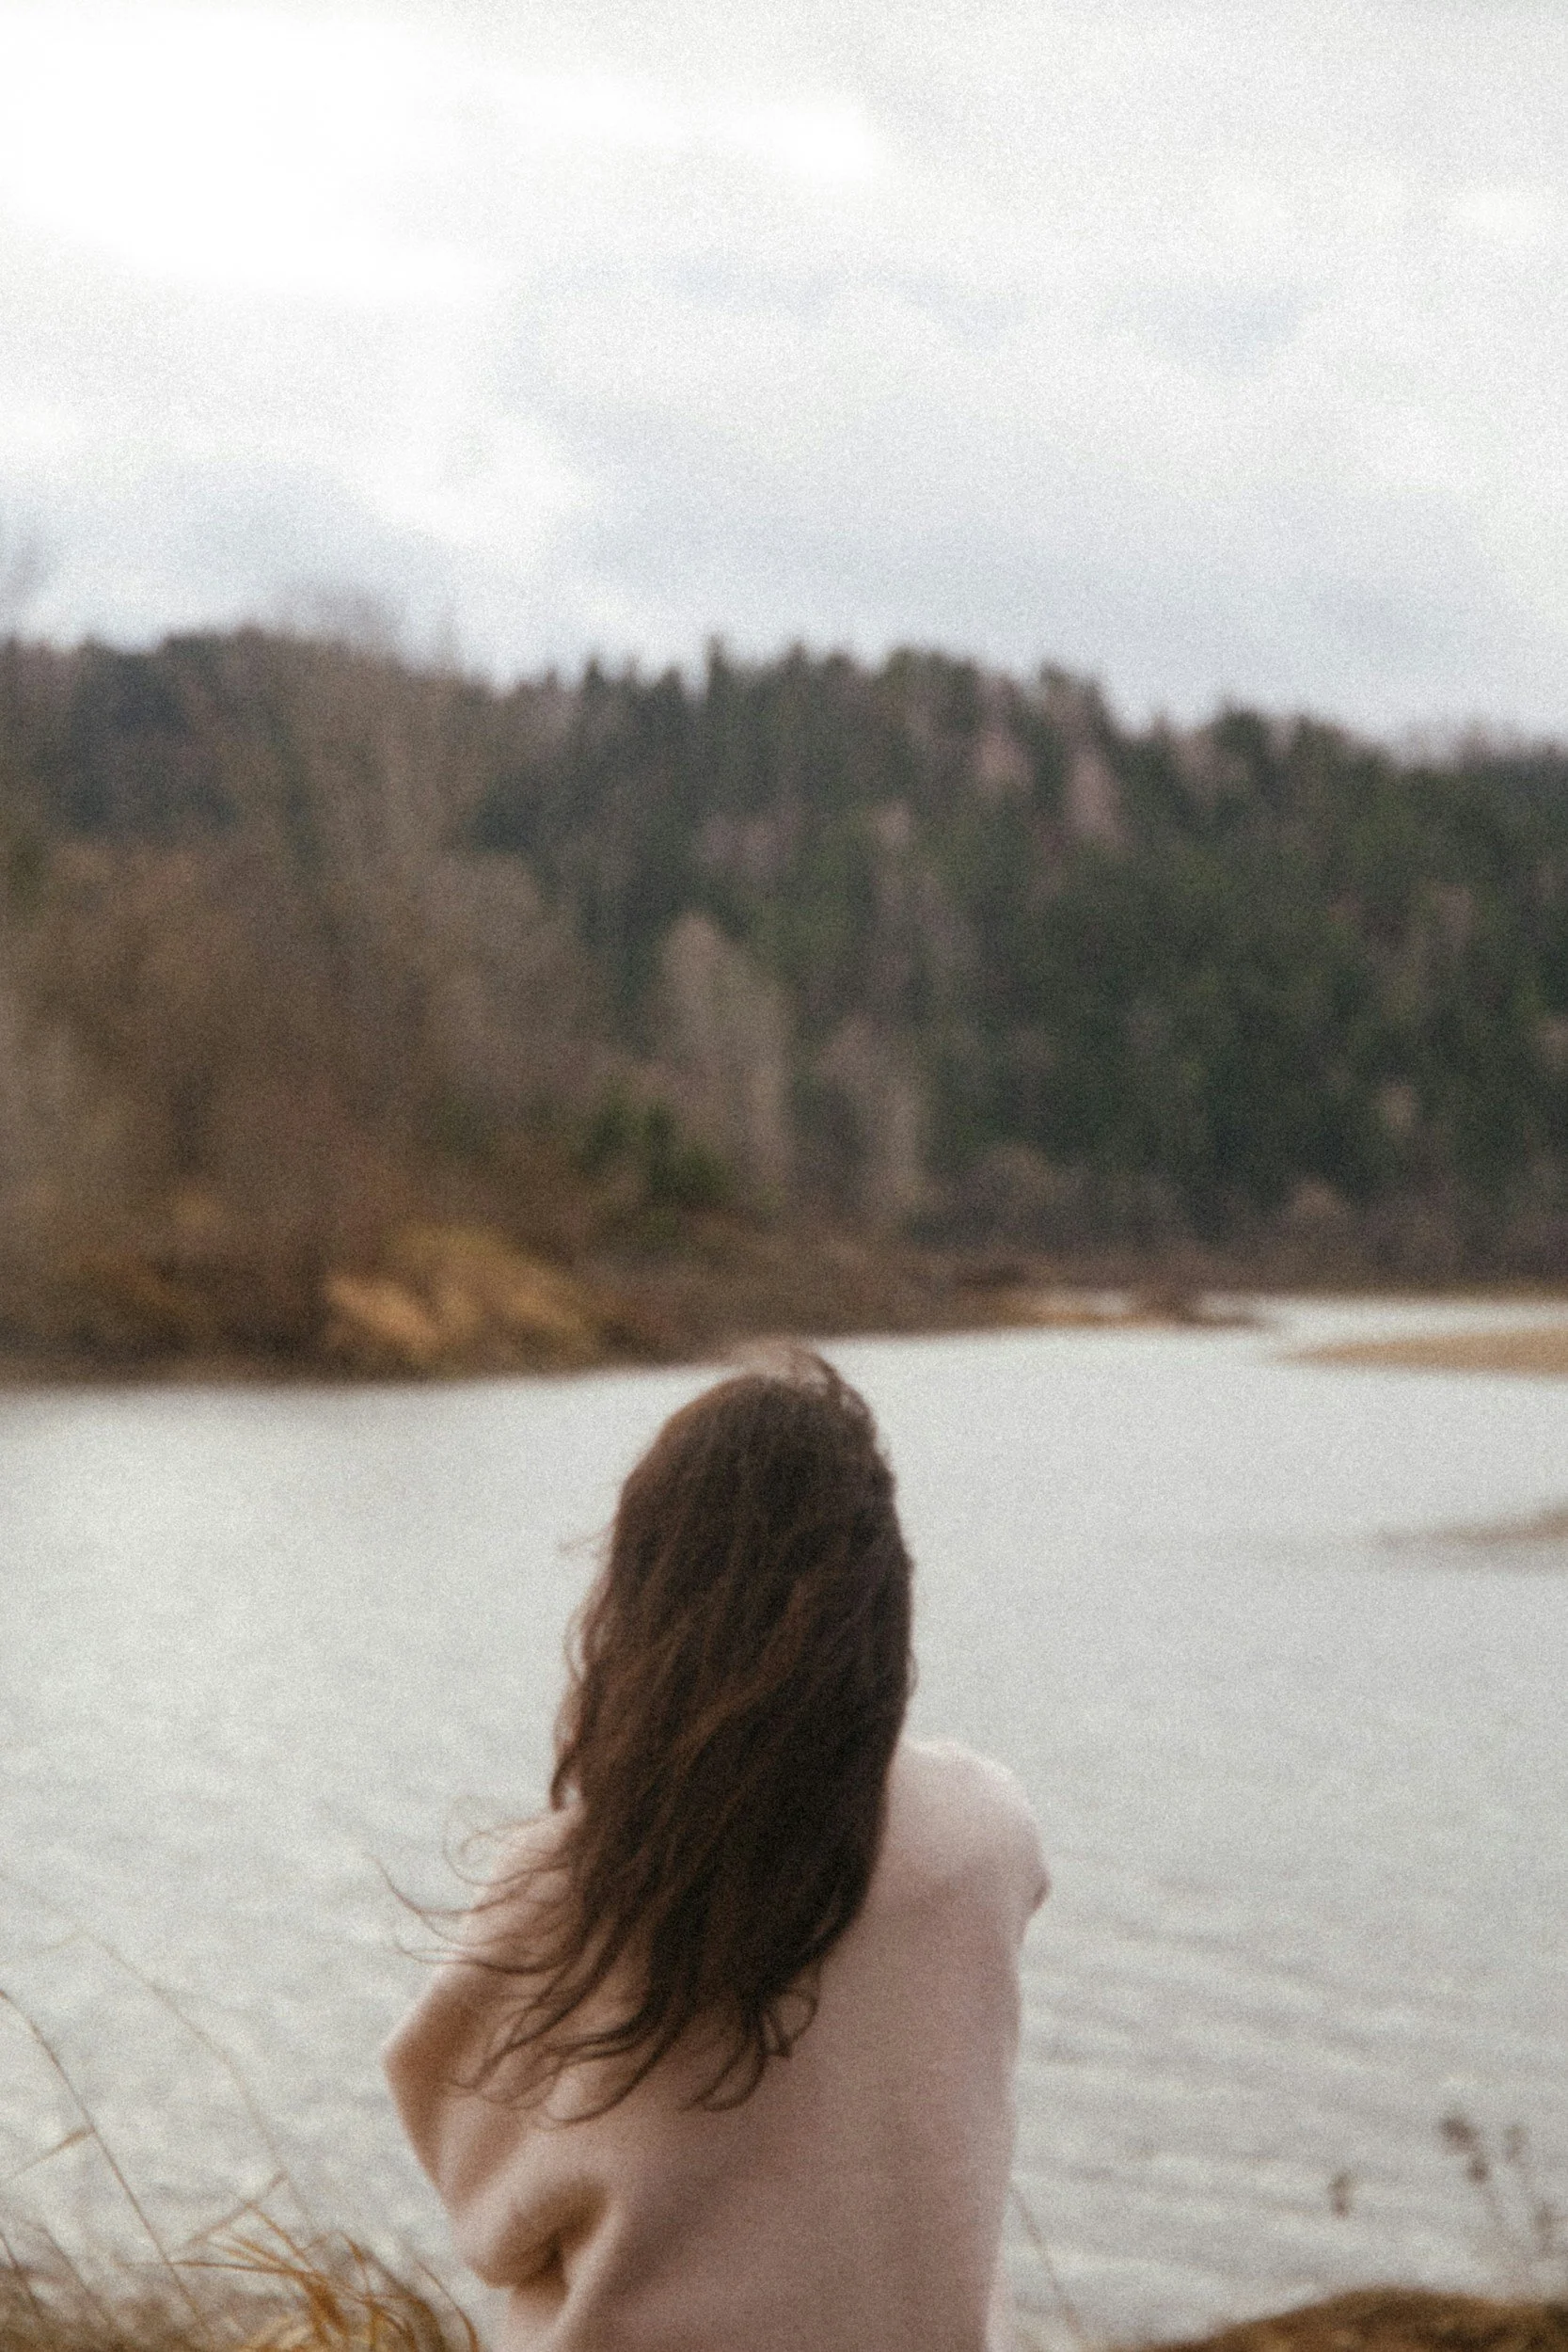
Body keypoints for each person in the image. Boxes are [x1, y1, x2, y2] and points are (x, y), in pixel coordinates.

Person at [384, 1354, 1048, 2352]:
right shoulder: (982, 1834)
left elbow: (489, 2220)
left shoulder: (568, 1886)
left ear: (641, 1595)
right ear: (878, 1591)